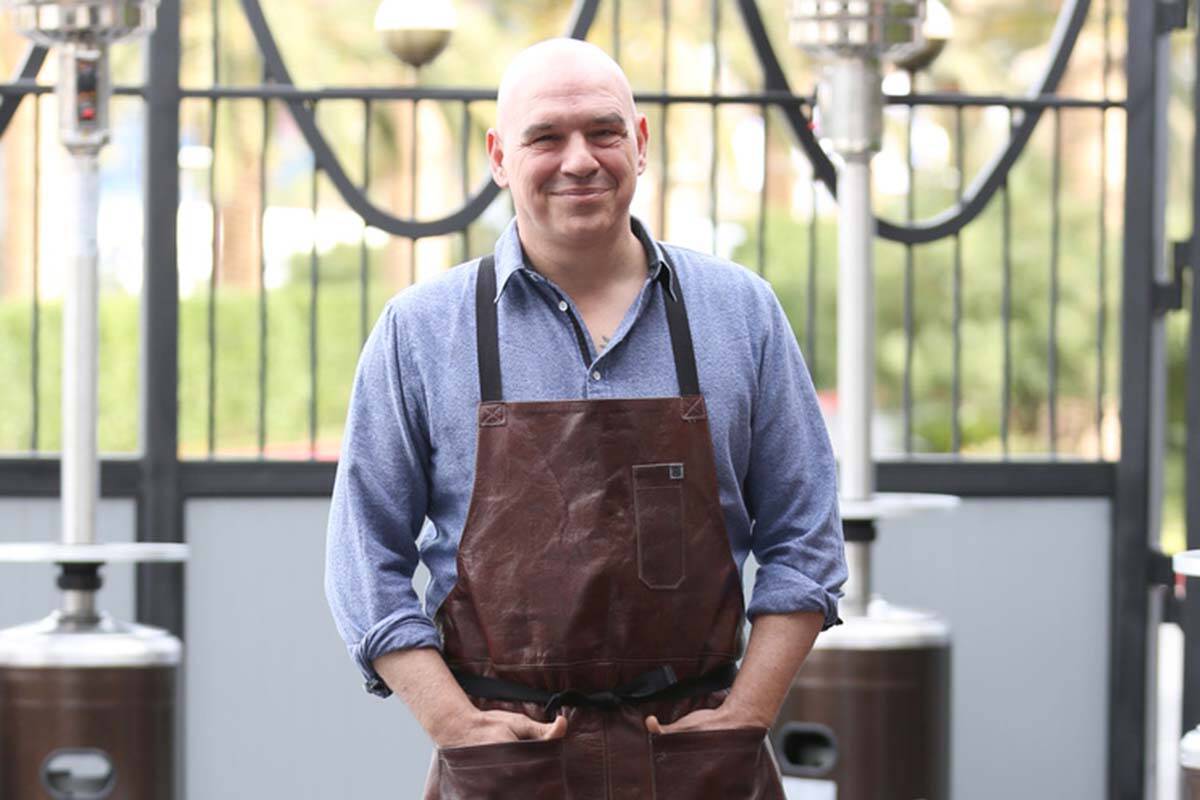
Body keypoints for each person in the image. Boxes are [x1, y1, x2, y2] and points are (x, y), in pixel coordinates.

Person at [325, 37, 846, 799]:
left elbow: (807, 537)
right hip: (507, 762)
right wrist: (457, 727)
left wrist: (746, 712)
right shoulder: (421, 331)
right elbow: (361, 557)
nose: (579, 160)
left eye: (603, 131)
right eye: (545, 137)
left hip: (700, 758)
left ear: (639, 143)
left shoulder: (740, 315)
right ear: (501, 157)